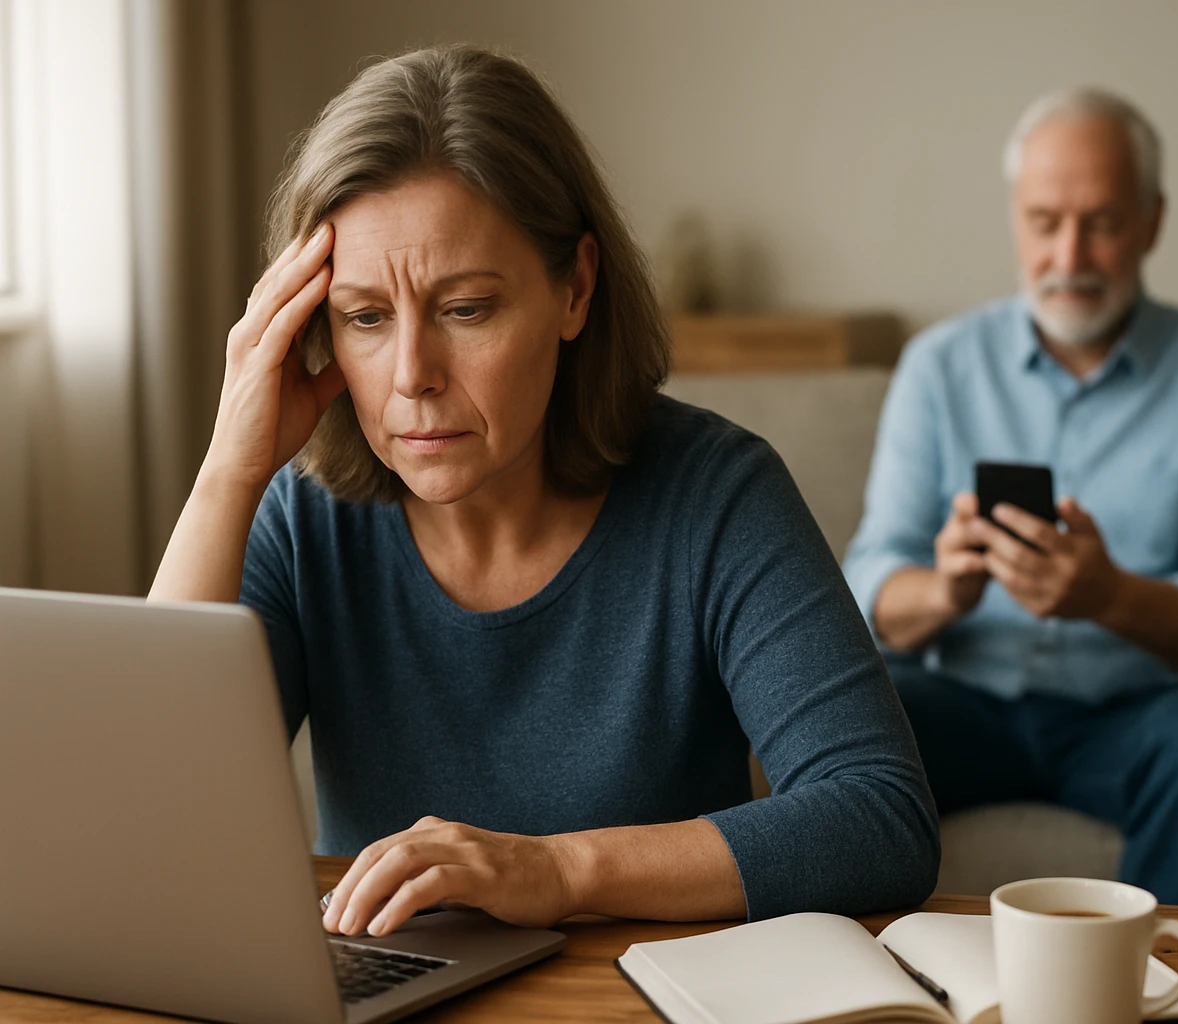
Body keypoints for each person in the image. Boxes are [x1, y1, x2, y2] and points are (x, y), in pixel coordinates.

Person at [150, 45, 938, 937]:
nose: (412, 375)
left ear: (575, 289)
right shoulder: (302, 518)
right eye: (365, 318)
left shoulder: (717, 495)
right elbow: (143, 819)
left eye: (465, 309)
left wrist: (559, 868)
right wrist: (229, 473)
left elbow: (880, 817)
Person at [842, 88, 1178, 908]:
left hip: (1143, 709)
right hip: (961, 697)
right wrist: (944, 590)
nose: (1069, 254)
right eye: (1045, 221)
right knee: (839, 728)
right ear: (1015, 218)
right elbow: (868, 576)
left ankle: (1165, 991)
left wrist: (1112, 597)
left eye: (1103, 222)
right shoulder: (938, 366)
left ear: (1153, 222)